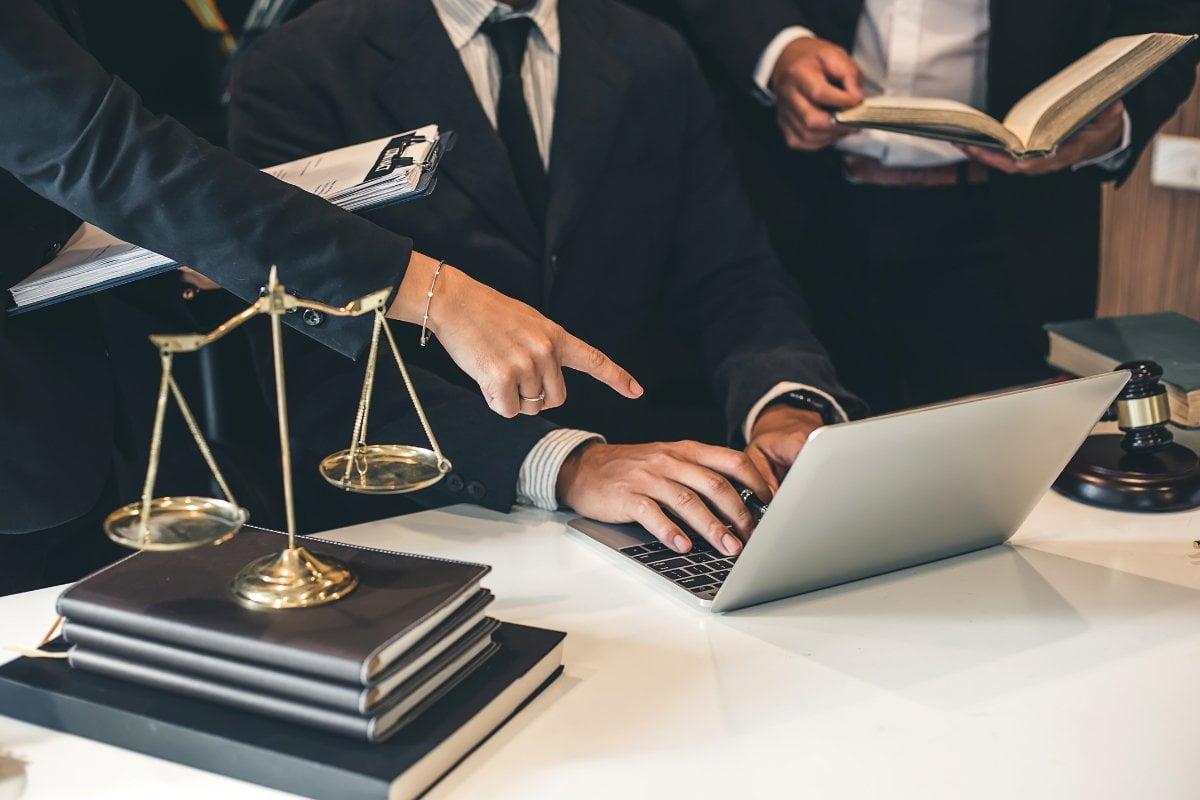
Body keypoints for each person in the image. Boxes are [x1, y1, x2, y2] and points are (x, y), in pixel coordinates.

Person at [0, 0, 641, 594]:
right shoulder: (305, 59)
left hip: (84, 427)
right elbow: (101, 149)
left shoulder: (642, 48)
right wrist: (439, 296)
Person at [227, 0, 865, 557]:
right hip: (428, 519)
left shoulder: (651, 50)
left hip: (650, 508)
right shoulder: (301, 64)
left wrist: (784, 402)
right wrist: (563, 462)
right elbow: (313, 365)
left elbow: (731, 274)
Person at [643, 0, 1200, 413]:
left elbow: (1170, 20)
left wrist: (1117, 128)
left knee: (994, 492)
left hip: (1008, 228)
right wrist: (778, 48)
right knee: (797, 460)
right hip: (790, 206)